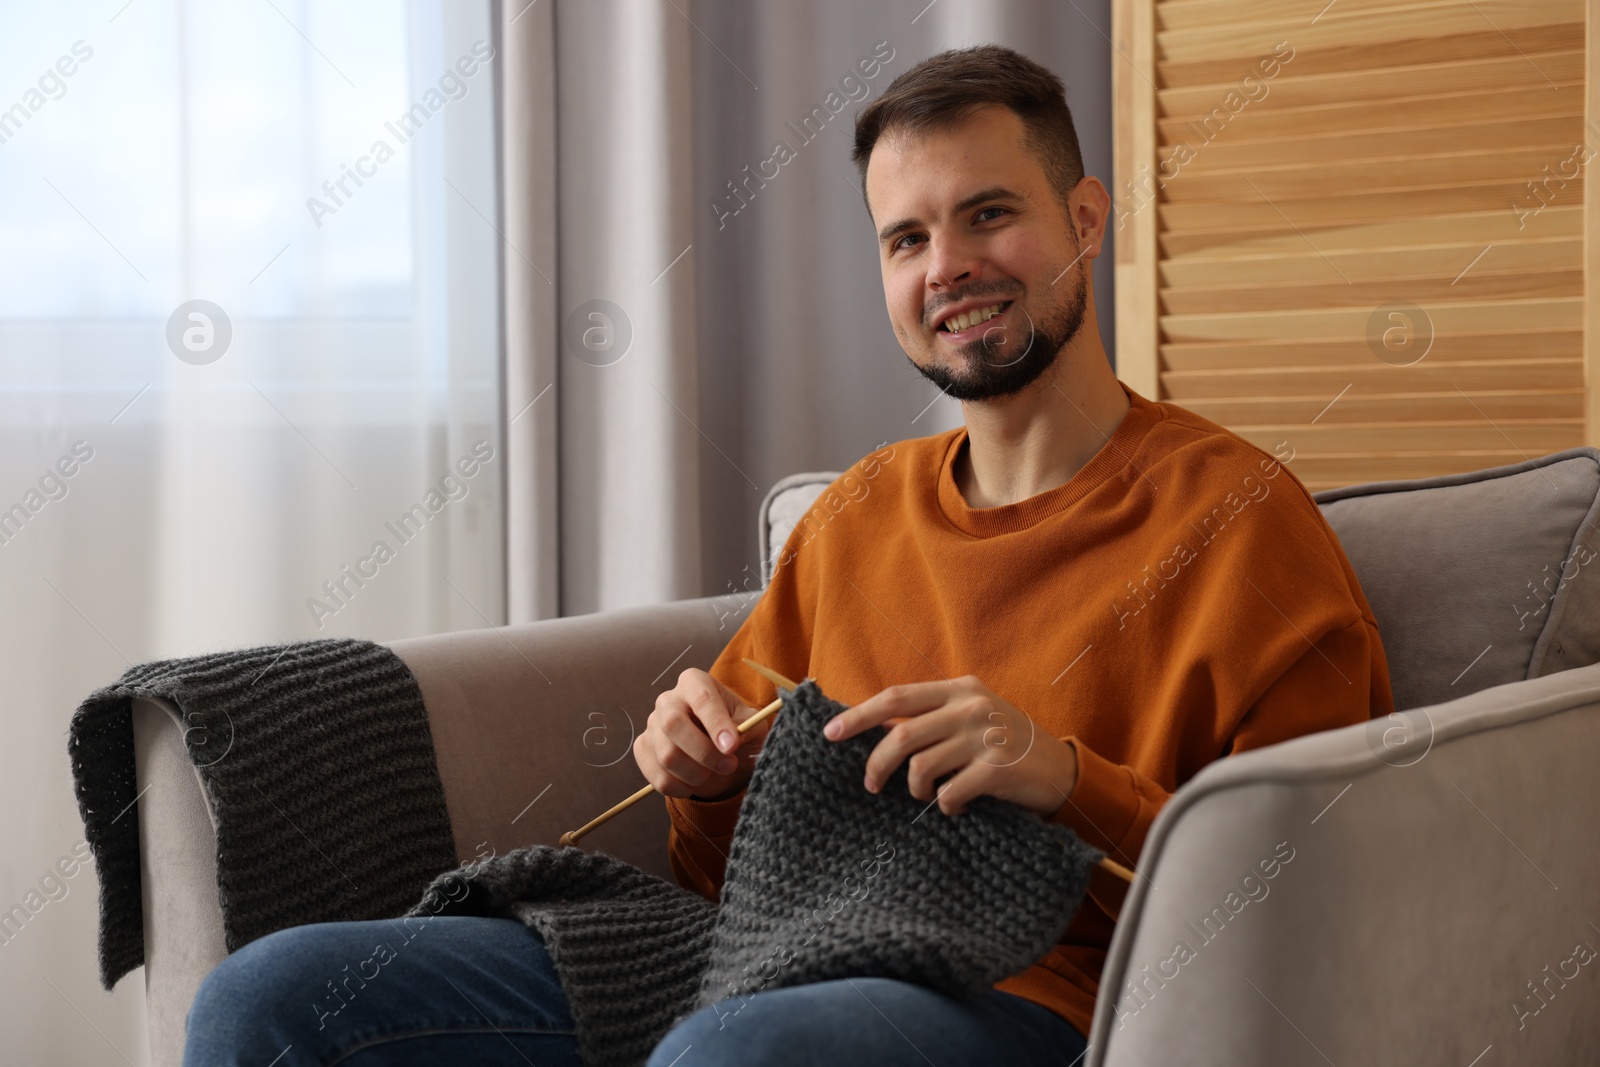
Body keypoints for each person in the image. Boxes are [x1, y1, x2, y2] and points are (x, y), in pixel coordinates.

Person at [183, 44, 1393, 1066]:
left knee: (734, 1048)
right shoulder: (858, 515)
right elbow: (727, 874)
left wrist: (1062, 774)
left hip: (1040, 994)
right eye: (904, 238)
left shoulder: (1240, 520)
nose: (946, 269)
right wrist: (702, 784)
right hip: (774, 949)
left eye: (988, 215)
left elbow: (1314, 896)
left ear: (1083, 220)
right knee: (271, 994)